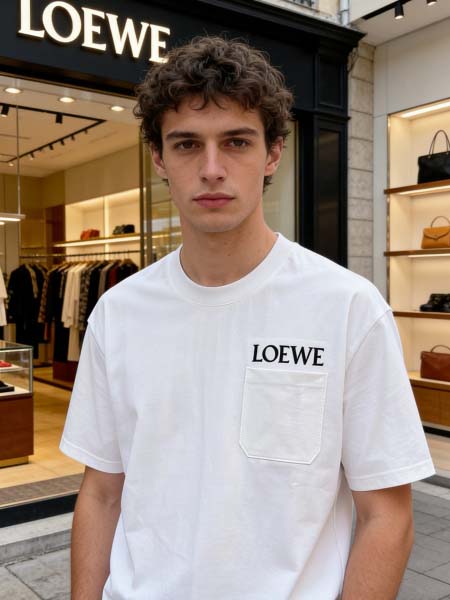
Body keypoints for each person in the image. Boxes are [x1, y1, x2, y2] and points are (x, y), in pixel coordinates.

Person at [61, 36, 435, 600]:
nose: (212, 169)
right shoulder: (119, 312)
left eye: (236, 141)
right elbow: (101, 493)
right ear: (159, 158)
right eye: (187, 144)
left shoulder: (348, 308)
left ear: (273, 153)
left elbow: (387, 515)